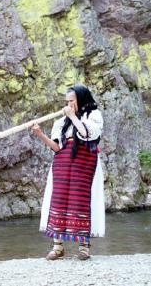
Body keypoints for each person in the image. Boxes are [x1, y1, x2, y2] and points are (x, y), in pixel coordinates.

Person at [30, 85, 105, 260]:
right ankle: (58, 247)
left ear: (81, 98)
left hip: (85, 163)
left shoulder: (93, 115)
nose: (69, 104)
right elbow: (57, 147)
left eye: (72, 101)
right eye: (67, 102)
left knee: (81, 200)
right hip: (62, 163)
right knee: (59, 200)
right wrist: (40, 134)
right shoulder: (61, 122)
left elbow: (87, 134)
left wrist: (72, 116)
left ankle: (84, 247)